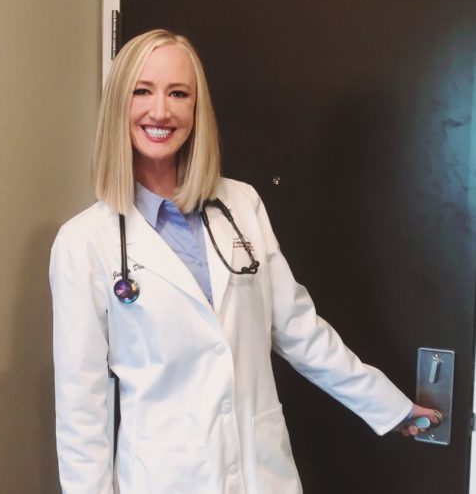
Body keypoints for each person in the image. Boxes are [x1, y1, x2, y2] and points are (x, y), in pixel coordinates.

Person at [49, 29, 439, 494]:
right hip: (165, 479)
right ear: (119, 105)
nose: (161, 111)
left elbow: (298, 329)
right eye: (142, 91)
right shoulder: (82, 243)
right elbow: (82, 409)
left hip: (262, 473)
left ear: (196, 109)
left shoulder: (241, 204)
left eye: (179, 93)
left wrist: (387, 405)